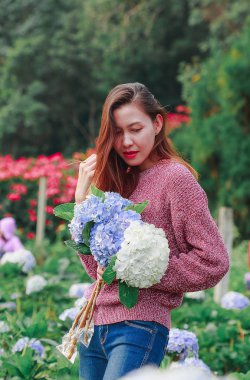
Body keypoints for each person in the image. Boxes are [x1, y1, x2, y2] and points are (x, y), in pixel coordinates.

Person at [75, 82, 230, 380]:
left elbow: (213, 261)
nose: (126, 141)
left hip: (139, 328)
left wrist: (146, 269)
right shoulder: (119, 180)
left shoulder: (176, 179)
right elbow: (97, 269)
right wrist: (81, 203)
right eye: (118, 132)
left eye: (135, 129)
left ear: (157, 123)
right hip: (93, 328)